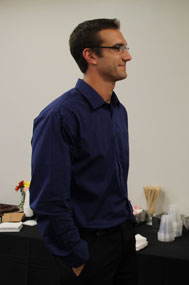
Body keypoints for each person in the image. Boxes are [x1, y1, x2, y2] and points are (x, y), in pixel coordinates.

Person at [30, 18, 137, 285]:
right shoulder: (60, 116)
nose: (128, 56)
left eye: (126, 47)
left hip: (123, 240)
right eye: (118, 48)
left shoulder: (117, 110)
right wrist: (75, 256)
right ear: (90, 56)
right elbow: (48, 198)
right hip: (89, 248)